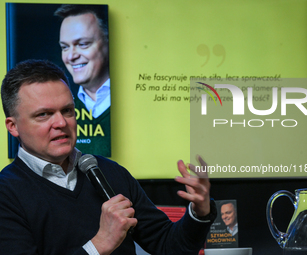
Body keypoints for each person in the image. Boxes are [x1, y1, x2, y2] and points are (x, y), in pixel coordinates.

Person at [0, 59, 216, 254]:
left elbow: (170, 246)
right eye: (44, 114)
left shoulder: (110, 173)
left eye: (67, 111)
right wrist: (100, 243)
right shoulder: (6, 193)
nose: (61, 123)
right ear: (13, 126)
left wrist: (199, 212)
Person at [55, 5, 111, 156]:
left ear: (108, 43)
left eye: (83, 44)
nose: (71, 56)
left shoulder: (134, 105)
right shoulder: (60, 109)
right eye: (65, 47)